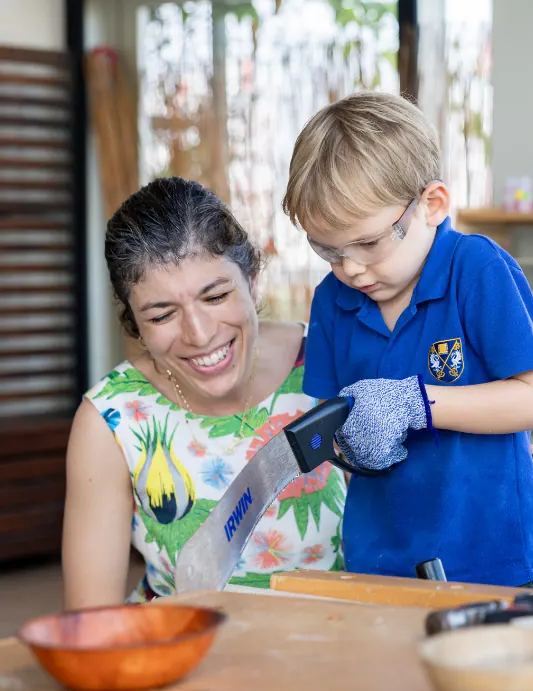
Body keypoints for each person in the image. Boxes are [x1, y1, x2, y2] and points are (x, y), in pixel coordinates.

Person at [282, 91, 533, 592]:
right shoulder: (331, 300)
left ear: (431, 205)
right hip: (378, 563)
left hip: (493, 560)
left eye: (368, 243)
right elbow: (330, 422)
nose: (351, 269)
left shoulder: (477, 270)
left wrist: (416, 405)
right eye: (329, 251)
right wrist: (349, 447)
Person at [62, 177, 346, 609]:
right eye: (162, 315)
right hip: (179, 641)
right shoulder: (111, 419)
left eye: (214, 297)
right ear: (135, 326)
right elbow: (90, 619)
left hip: (333, 633)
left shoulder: (328, 366)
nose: (199, 334)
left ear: (252, 280)